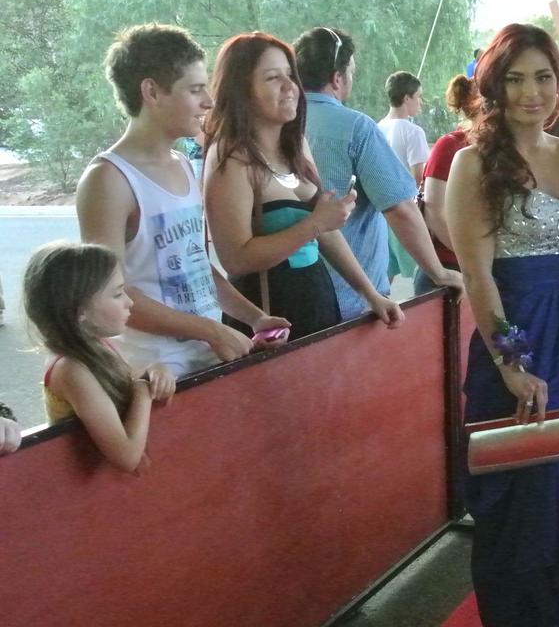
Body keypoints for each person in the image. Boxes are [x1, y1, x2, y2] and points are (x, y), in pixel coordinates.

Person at [444, 23, 559, 627]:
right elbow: (479, 278)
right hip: (513, 342)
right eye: (515, 79)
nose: (530, 92)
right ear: (494, 86)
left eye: (542, 78)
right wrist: (511, 364)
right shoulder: (471, 163)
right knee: (517, 502)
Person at [78, 24, 290, 377]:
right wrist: (209, 330)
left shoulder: (183, 165)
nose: (208, 101)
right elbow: (106, 294)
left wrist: (253, 317)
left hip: (207, 356)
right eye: (195, 90)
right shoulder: (108, 180)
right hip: (154, 371)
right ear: (152, 92)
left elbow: (194, 267)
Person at [203, 33, 401, 338]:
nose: (289, 86)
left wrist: (369, 292)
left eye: (289, 75)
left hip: (318, 302)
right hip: (270, 321)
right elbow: (236, 259)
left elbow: (327, 232)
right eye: (272, 78)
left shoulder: (296, 146)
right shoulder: (230, 158)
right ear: (242, 90)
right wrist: (314, 224)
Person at [292, 27, 460, 322]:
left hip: (290, 294)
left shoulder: (280, 124)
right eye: (351, 72)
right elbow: (400, 209)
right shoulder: (354, 127)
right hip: (351, 299)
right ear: (337, 77)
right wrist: (439, 272)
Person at [24, 242, 177, 473]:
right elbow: (127, 456)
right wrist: (144, 391)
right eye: (117, 294)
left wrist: (157, 370)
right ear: (79, 310)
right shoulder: (71, 369)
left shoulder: (100, 345)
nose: (130, 302)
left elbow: (128, 382)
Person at [416, 75, 479, 294]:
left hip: (482, 266)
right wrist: (474, 259)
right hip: (448, 269)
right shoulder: (450, 145)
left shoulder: (502, 149)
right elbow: (435, 214)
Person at [378, 71, 432, 286]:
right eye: (419, 96)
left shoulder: (376, 127)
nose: (421, 102)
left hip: (381, 213)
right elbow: (420, 178)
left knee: (385, 275)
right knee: (422, 272)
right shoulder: (413, 132)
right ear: (406, 98)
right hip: (407, 210)